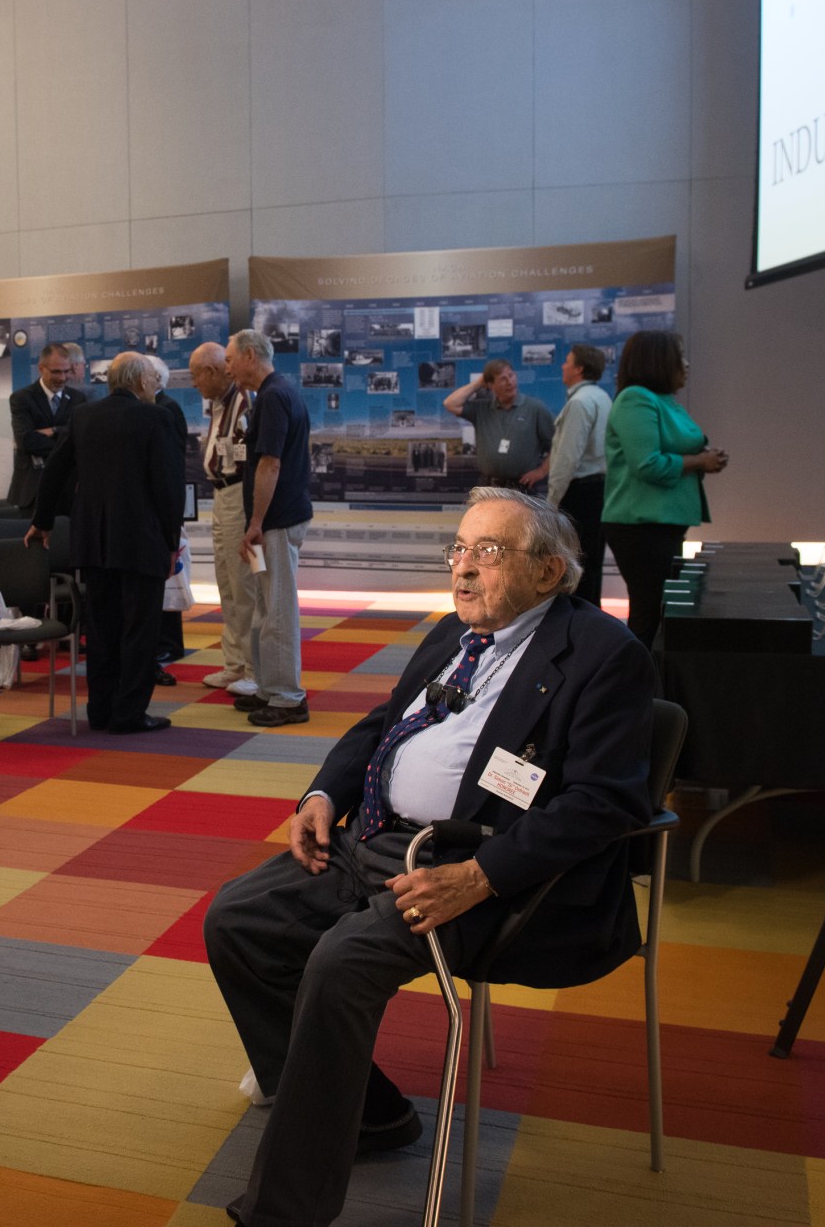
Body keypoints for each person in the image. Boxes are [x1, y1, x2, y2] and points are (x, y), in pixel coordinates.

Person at [204, 489, 654, 1227]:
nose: (464, 569)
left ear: (548, 573)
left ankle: (284, 1211)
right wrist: (322, 794)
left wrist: (480, 876)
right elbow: (386, 723)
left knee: (339, 964)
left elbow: (606, 803)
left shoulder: (604, 656)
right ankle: (373, 1115)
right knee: (238, 920)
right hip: (376, 836)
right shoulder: (454, 632)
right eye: (459, 549)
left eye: (489, 551)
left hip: (487, 872)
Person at [27, 351, 182, 735]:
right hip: (142, 541)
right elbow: (168, 488)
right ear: (141, 382)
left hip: (93, 541)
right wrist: (171, 542)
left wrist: (42, 523)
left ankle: (100, 710)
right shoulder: (156, 417)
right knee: (139, 631)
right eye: (151, 379)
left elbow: (54, 472)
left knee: (100, 630)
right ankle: (129, 714)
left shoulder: (83, 416)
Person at [602, 330, 726, 648]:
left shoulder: (664, 401)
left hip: (659, 525)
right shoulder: (636, 399)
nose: (686, 364)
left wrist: (706, 458)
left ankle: (648, 684)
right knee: (649, 614)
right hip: (640, 527)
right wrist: (700, 461)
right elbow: (648, 465)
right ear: (658, 361)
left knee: (657, 611)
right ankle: (635, 686)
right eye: (679, 355)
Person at [226, 329, 313, 726]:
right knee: (264, 603)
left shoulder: (275, 396)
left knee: (277, 608)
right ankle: (267, 687)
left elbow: (270, 464)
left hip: (275, 522)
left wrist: (256, 522)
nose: (227, 368)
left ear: (248, 355)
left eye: (229, 359)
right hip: (266, 523)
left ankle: (287, 697)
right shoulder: (274, 393)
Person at [190, 342, 257, 696]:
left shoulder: (245, 404)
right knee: (227, 584)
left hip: (239, 496)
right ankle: (234, 665)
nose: (193, 383)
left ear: (211, 372)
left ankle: (252, 668)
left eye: (196, 375)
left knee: (245, 585)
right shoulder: (219, 404)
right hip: (222, 494)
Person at [544, 343, 612, 607]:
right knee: (590, 564)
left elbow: (567, 458)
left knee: (574, 566)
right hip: (597, 491)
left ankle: (577, 627)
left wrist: (552, 503)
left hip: (579, 493)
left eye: (567, 361)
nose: (563, 365)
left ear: (579, 369)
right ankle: (592, 623)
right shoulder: (601, 397)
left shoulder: (580, 402)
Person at [442, 358, 552, 491]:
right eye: (502, 379)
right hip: (489, 487)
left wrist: (541, 471)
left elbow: (557, 446)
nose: (510, 382)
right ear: (490, 385)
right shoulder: (482, 410)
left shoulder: (535, 408)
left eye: (511, 375)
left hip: (523, 488)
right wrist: (479, 382)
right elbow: (450, 404)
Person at [147, 353, 189, 683]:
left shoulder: (167, 408)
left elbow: (171, 459)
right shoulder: (154, 407)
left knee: (169, 576)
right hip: (152, 504)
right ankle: (163, 642)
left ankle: (170, 644)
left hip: (162, 502)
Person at [7, 343, 74, 508]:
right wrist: (66, 443)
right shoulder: (22, 398)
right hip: (32, 492)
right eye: (56, 372)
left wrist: (54, 431)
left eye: (66, 371)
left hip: (68, 492)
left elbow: (81, 439)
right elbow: (26, 441)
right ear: (41, 368)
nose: (62, 378)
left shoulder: (78, 399)